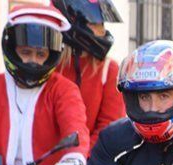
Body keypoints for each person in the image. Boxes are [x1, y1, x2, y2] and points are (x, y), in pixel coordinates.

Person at [0, 5, 90, 165]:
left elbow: (75, 128)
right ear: (12, 49)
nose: (33, 61)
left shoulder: (64, 89)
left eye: (40, 54)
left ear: (51, 54)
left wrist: (73, 158)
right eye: (26, 52)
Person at [53, 0, 125, 147]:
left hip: (90, 162)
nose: (102, 32)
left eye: (102, 24)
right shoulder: (51, 66)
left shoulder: (109, 70)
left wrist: (79, 158)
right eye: (95, 24)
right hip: (46, 160)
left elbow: (109, 126)